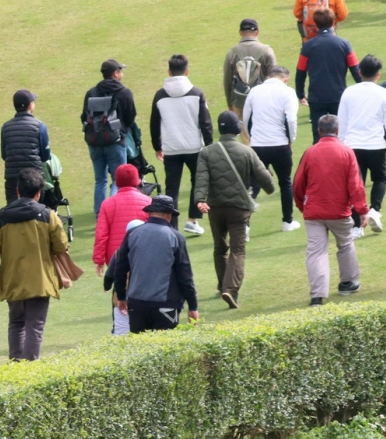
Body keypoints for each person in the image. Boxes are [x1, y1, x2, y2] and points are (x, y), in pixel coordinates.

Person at [0, 168, 68, 361]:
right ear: (38, 193)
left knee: (16, 323)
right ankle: (29, 368)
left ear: (18, 191)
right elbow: (61, 245)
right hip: (40, 280)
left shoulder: (1, 218)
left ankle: (16, 365)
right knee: (34, 326)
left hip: (12, 280)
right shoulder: (48, 215)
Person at [194, 112, 276, 309]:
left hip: (215, 207)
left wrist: (200, 199)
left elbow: (201, 179)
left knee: (219, 248)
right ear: (238, 129)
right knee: (238, 249)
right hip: (239, 208)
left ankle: (222, 284)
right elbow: (267, 181)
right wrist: (269, 186)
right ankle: (230, 290)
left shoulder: (207, 152)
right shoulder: (247, 151)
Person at [294, 114, 368, 304]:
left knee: (316, 251)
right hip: (339, 211)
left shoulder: (310, 152)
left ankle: (317, 296)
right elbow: (356, 185)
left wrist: (303, 206)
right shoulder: (346, 152)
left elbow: (298, 184)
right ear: (337, 130)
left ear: (319, 131)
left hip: (314, 211)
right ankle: (347, 282)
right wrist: (362, 210)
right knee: (345, 244)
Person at [108, 196, 199, 333]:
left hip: (136, 304)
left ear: (149, 213)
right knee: (164, 350)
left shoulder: (132, 233)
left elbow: (120, 268)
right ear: (169, 215)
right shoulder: (176, 237)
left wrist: (121, 297)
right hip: (166, 305)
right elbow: (185, 275)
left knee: (140, 348)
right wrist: (193, 307)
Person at [337, 54, 386, 234]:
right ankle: (375, 209)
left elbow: (341, 120)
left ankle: (357, 227)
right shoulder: (383, 93)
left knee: (355, 185)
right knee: (380, 179)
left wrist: (340, 143)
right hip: (375, 145)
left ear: (359, 72)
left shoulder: (349, 92)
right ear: (378, 75)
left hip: (351, 146)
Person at [150, 53, 212, 234]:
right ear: (187, 71)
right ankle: (192, 220)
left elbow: (154, 123)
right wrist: (208, 145)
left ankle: (172, 227)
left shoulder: (160, 95)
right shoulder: (196, 93)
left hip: (171, 148)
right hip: (194, 147)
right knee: (198, 183)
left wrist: (157, 146)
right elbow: (205, 123)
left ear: (169, 72)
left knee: (172, 189)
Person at [92, 163, 151, 335]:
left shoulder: (108, 204)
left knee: (119, 293)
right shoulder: (148, 202)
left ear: (116, 182)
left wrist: (98, 259)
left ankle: (118, 328)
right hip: (142, 259)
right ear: (138, 180)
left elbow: (102, 234)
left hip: (116, 259)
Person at [242, 65, 302, 231]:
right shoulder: (288, 92)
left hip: (258, 145)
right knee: (285, 182)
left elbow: (246, 118)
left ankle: (244, 224)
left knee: (253, 184)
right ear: (286, 78)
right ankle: (287, 221)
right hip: (280, 144)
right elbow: (290, 120)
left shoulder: (254, 91)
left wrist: (251, 136)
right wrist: (291, 139)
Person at [294, 8, 360, 142]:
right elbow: (356, 69)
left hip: (316, 98)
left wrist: (300, 93)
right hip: (339, 96)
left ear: (316, 24)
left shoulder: (308, 45)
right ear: (334, 22)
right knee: (341, 134)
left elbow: (300, 71)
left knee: (318, 136)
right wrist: (364, 87)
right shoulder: (344, 44)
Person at [82, 59, 138, 216]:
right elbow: (130, 117)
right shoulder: (124, 92)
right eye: (120, 70)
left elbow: (83, 117)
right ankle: (115, 212)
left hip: (94, 142)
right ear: (115, 73)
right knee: (118, 179)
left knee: (100, 180)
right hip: (116, 141)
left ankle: (100, 212)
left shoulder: (91, 93)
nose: (122, 73)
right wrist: (122, 130)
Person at [0, 89, 51, 203]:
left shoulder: (6, 127)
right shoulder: (40, 126)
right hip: (34, 177)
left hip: (12, 178)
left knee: (13, 211)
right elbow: (45, 155)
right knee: (36, 211)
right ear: (30, 105)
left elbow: (4, 155)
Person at [221, 20, 276, 118]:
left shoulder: (232, 52)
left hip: (239, 101)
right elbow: (274, 79)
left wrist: (230, 104)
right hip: (262, 101)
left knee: (244, 132)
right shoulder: (267, 51)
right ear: (258, 32)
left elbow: (227, 81)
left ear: (240, 32)